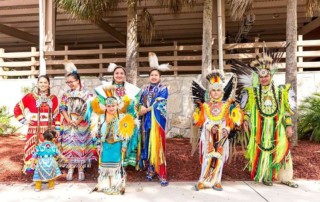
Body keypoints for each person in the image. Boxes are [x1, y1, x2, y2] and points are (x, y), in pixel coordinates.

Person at [232, 46, 299, 188]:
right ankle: (266, 175)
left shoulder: (281, 91)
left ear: (271, 75)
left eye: (266, 76)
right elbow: (249, 110)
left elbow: (286, 111)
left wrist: (288, 126)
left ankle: (285, 177)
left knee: (283, 149)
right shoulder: (253, 93)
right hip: (261, 128)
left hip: (277, 127)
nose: (263, 79)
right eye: (261, 77)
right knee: (264, 150)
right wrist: (245, 120)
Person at [191, 70, 243, 191]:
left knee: (219, 157)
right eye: (213, 90)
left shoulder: (227, 105)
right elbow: (200, 121)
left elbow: (233, 120)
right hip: (208, 135)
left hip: (222, 136)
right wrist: (209, 127)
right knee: (207, 157)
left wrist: (227, 129)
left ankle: (217, 181)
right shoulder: (205, 105)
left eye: (218, 90)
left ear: (222, 92)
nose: (216, 92)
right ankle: (202, 180)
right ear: (209, 92)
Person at [88, 63, 141, 168]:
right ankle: (110, 162)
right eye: (117, 73)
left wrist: (129, 107)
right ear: (113, 75)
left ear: (125, 75)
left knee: (125, 137)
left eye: (121, 73)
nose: (119, 75)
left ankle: (125, 163)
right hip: (110, 118)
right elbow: (100, 102)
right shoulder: (106, 88)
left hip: (125, 118)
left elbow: (136, 104)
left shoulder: (131, 89)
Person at [91, 85, 136, 195]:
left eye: (113, 106)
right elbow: (97, 133)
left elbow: (125, 133)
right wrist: (98, 145)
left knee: (116, 166)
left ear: (117, 106)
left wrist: (124, 145)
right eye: (109, 106)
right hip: (105, 145)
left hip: (117, 145)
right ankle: (105, 185)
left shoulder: (122, 117)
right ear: (105, 106)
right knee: (105, 166)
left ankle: (116, 185)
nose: (111, 108)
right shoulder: (101, 118)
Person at [14, 75, 60, 174]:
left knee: (48, 148)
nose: (43, 84)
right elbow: (17, 108)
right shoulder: (30, 96)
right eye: (41, 82)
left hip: (49, 129)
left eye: (45, 83)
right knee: (33, 149)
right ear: (37, 84)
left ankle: (47, 171)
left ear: (49, 85)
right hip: (34, 128)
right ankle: (34, 170)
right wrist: (24, 120)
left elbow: (57, 114)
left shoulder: (53, 98)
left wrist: (57, 128)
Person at [59, 62, 96, 181]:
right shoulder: (66, 94)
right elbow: (62, 108)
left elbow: (88, 108)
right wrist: (69, 120)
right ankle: (70, 168)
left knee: (81, 145)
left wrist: (79, 119)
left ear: (78, 81)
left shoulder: (86, 93)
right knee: (69, 145)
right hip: (68, 124)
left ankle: (80, 169)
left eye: (72, 82)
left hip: (82, 124)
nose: (70, 84)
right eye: (68, 82)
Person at [138, 68, 169, 186]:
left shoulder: (163, 89)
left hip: (157, 122)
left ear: (159, 77)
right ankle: (151, 169)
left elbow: (160, 103)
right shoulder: (145, 90)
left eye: (156, 75)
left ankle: (161, 173)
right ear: (149, 77)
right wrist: (141, 108)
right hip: (146, 122)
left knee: (158, 146)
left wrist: (146, 109)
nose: (154, 77)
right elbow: (140, 102)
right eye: (152, 75)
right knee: (148, 146)